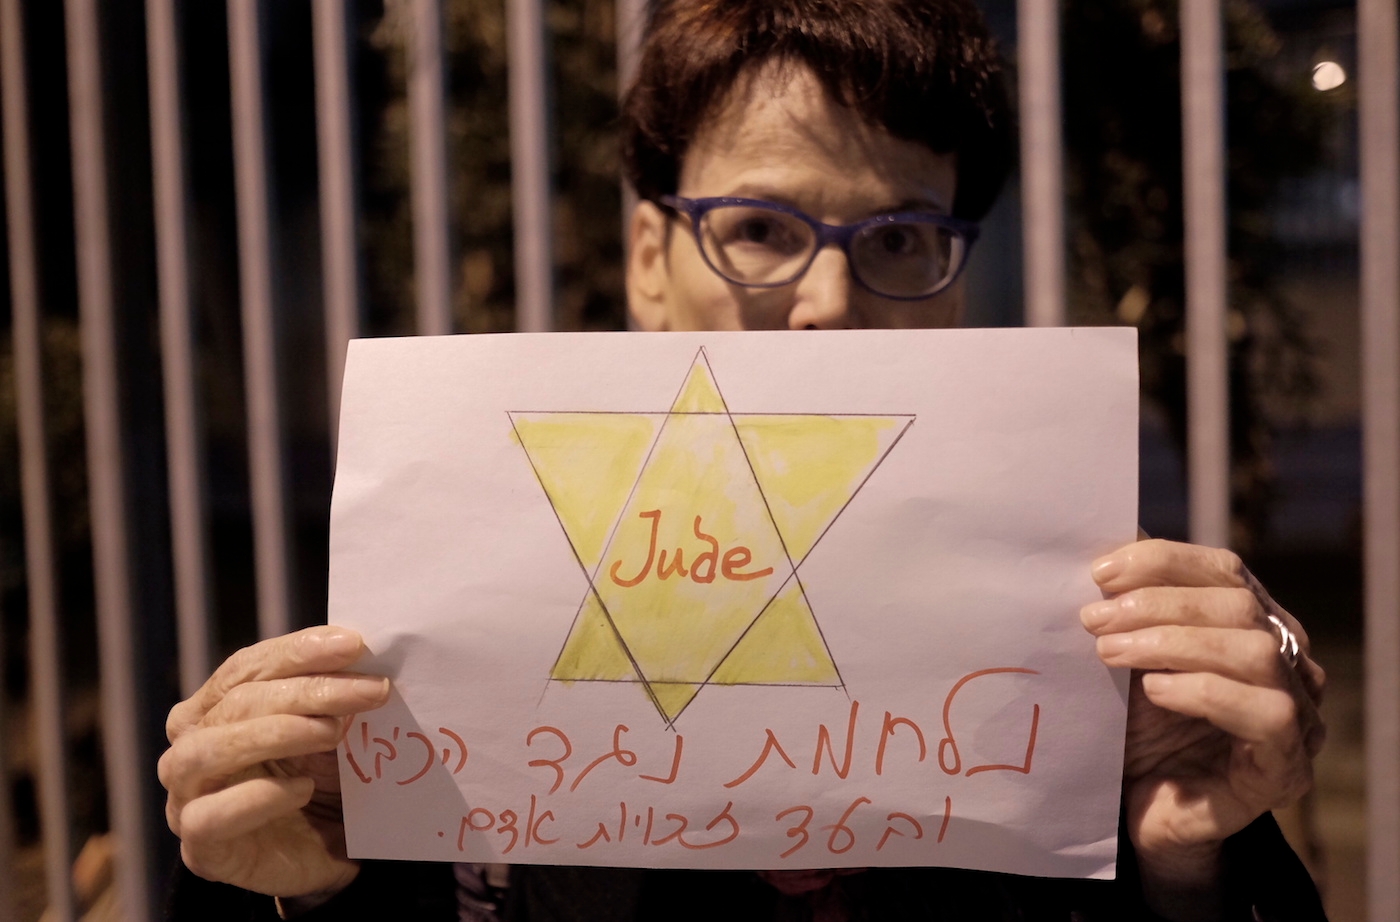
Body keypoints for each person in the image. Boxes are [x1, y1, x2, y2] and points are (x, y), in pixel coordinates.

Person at [159, 1, 1329, 919]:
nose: (827, 304)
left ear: (955, 280)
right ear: (648, 259)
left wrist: (1187, 871)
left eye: (901, 238)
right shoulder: (427, 644)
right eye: (762, 229)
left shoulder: (1077, 648)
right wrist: (305, 891)